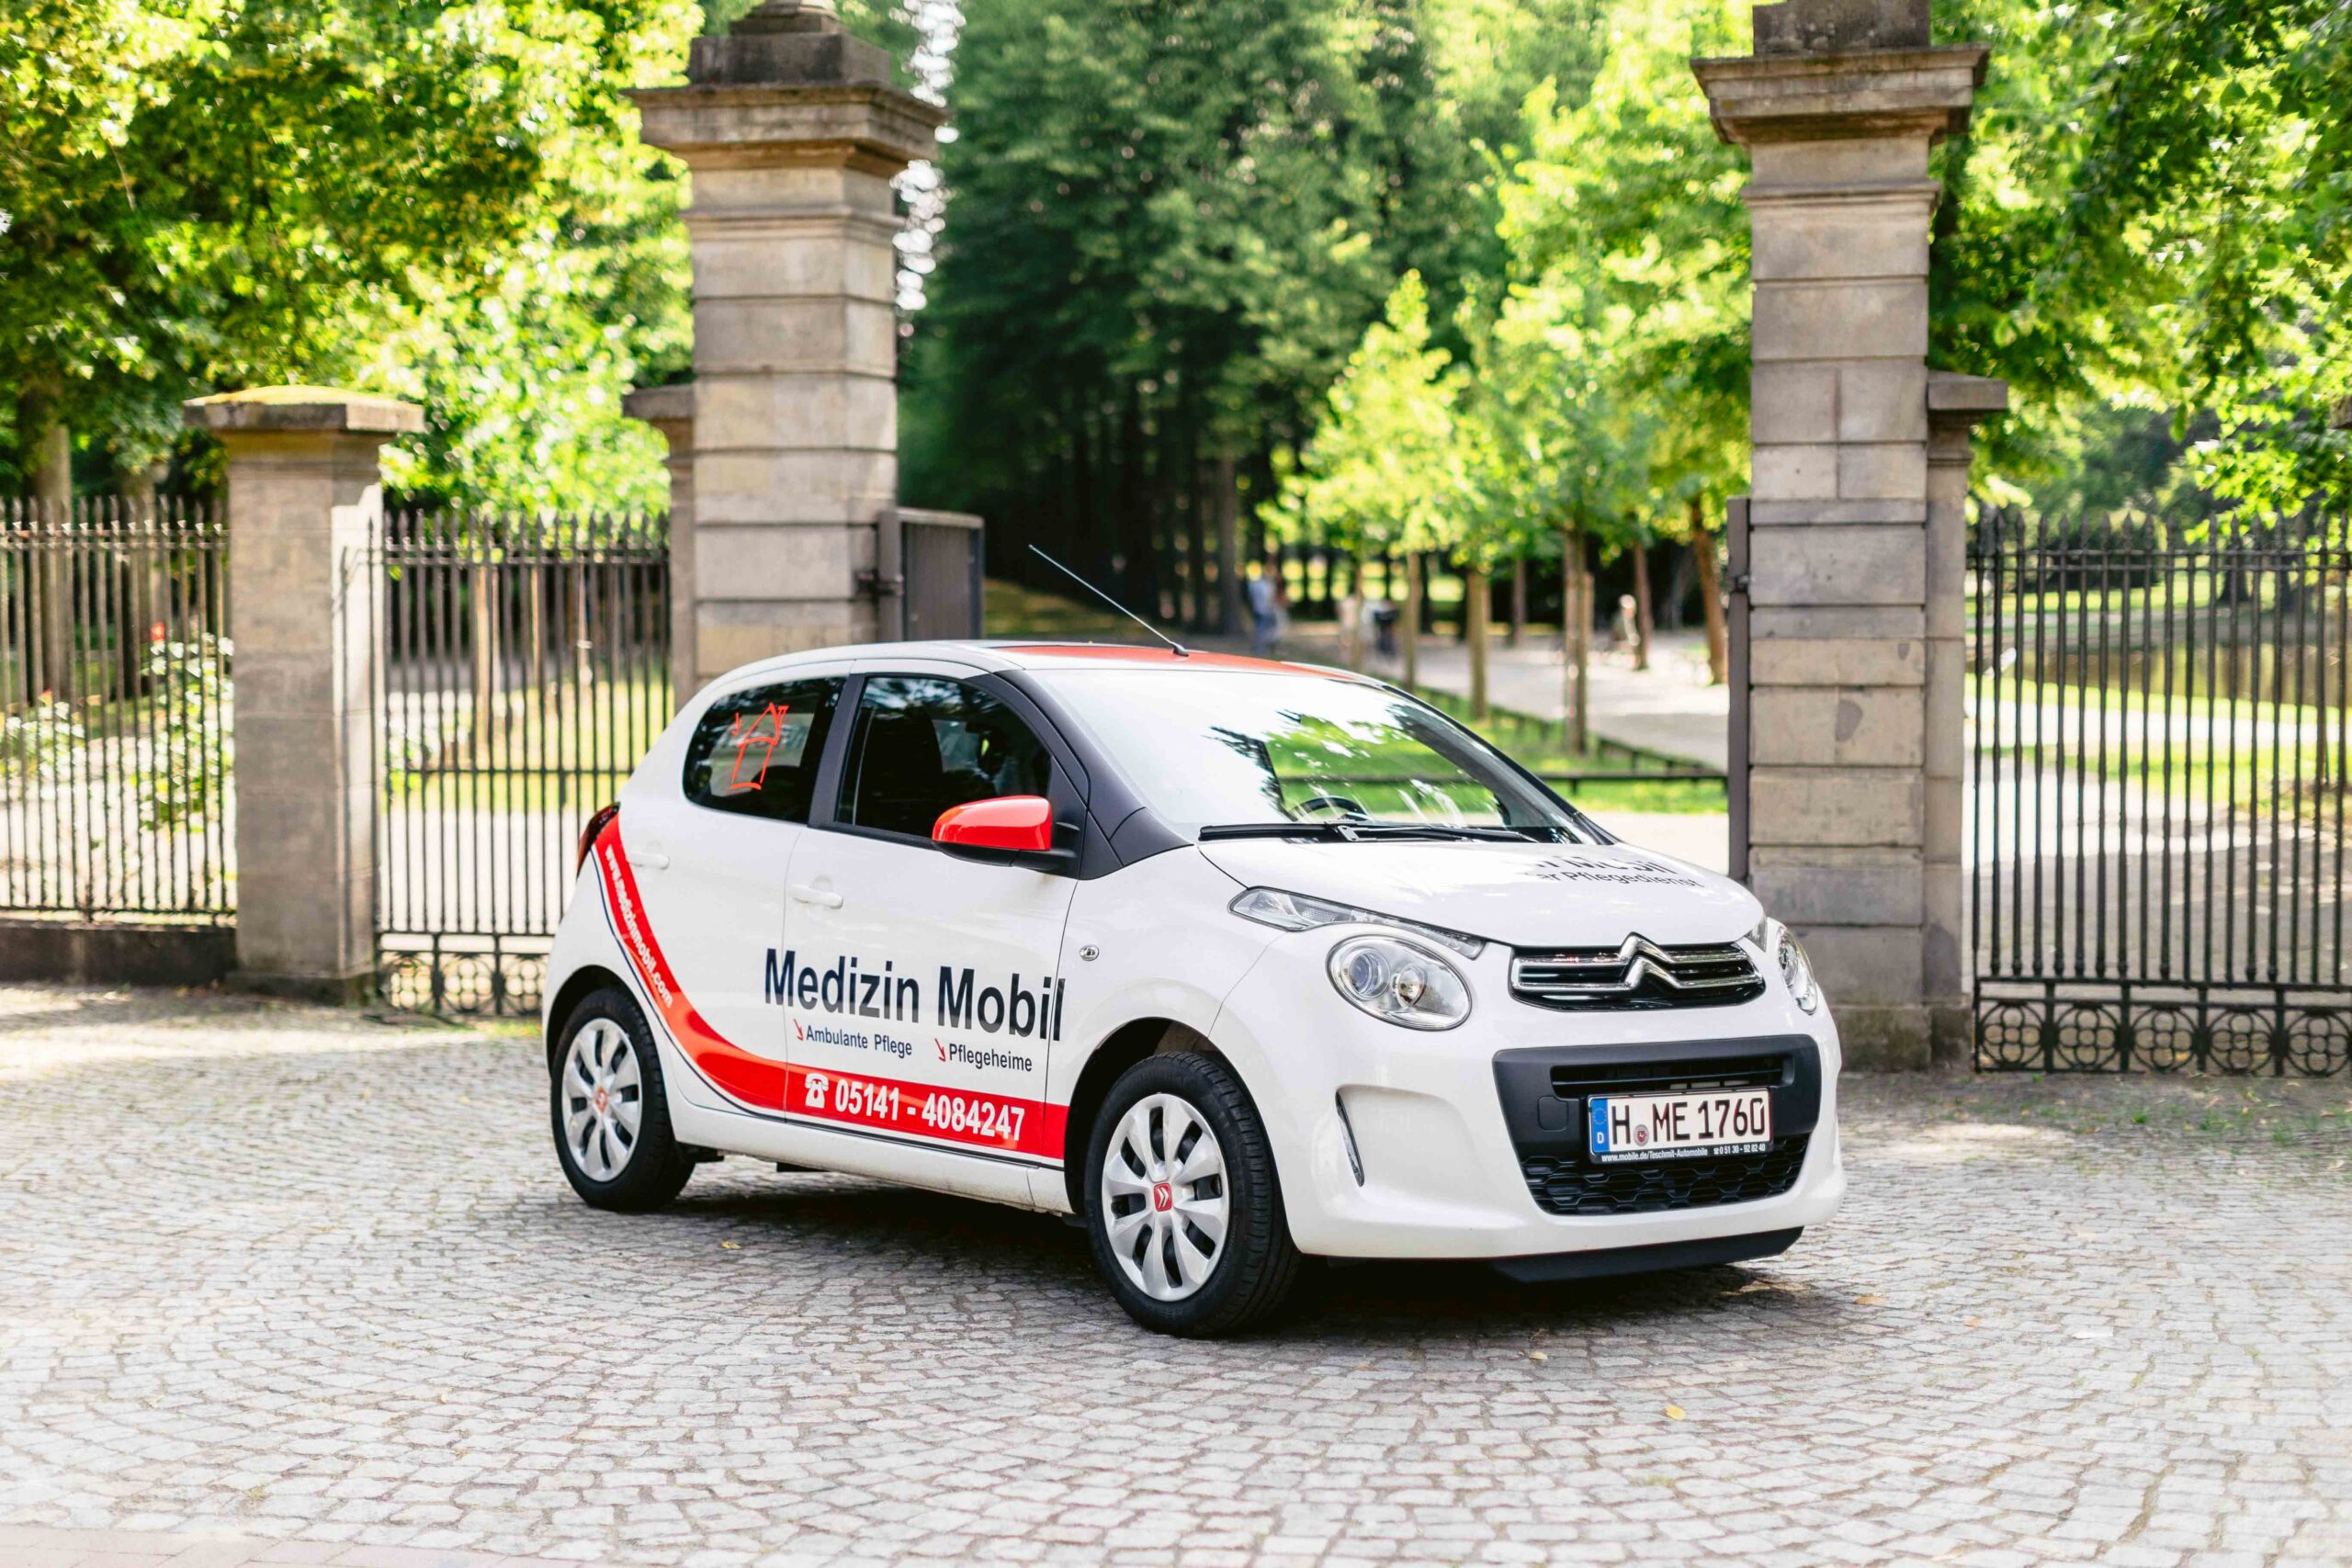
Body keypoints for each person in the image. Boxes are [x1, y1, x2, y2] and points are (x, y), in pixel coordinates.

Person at [1245, 560, 1280, 655]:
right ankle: (1261, 649)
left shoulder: (1254, 584)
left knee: (1260, 630)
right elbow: (1269, 598)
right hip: (1265, 610)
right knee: (1265, 630)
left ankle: (1260, 648)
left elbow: (1251, 597)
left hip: (1257, 609)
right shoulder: (1267, 585)